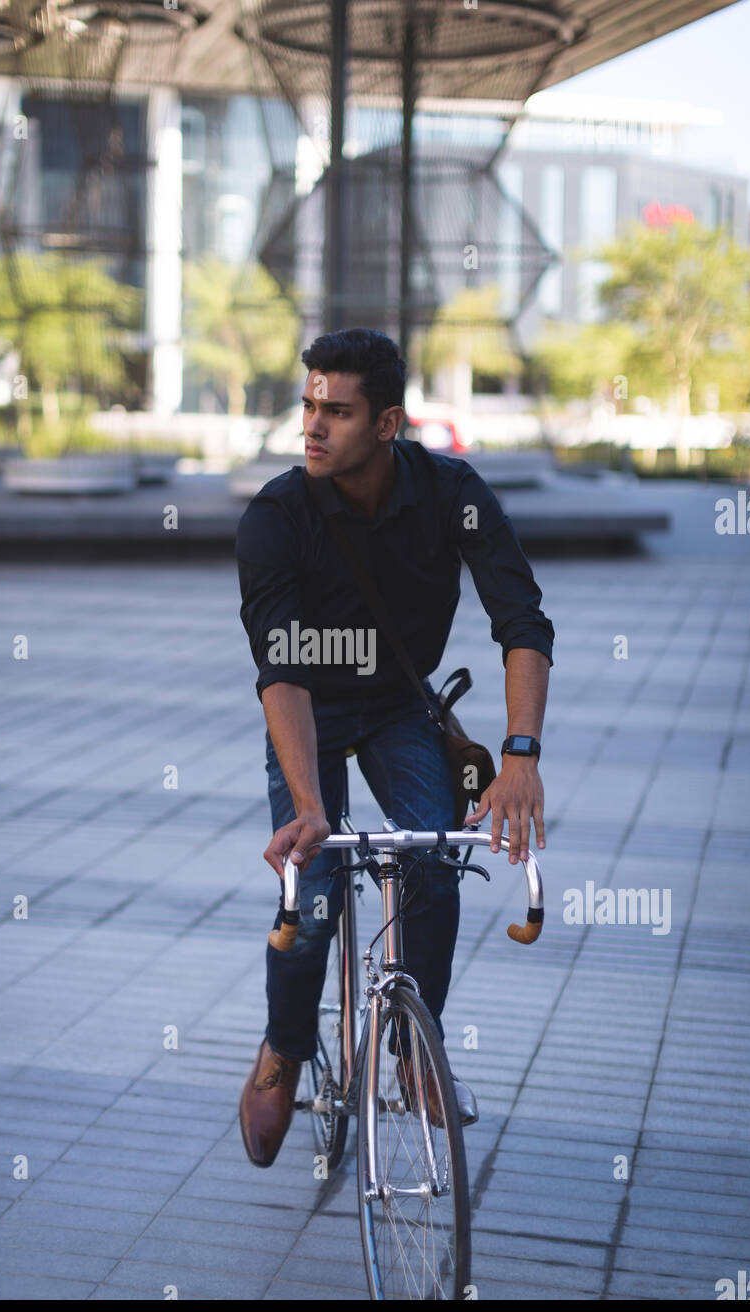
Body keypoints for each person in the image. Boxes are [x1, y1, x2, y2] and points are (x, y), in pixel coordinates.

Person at [234, 328, 554, 1168]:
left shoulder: (454, 493)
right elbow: (282, 673)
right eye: (308, 405)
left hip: (399, 707)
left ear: (386, 424)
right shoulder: (276, 515)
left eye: (335, 411)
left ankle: (416, 1050)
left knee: (432, 853)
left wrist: (520, 755)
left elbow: (522, 621)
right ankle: (283, 1046)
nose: (313, 425)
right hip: (308, 711)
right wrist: (308, 807)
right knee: (314, 898)